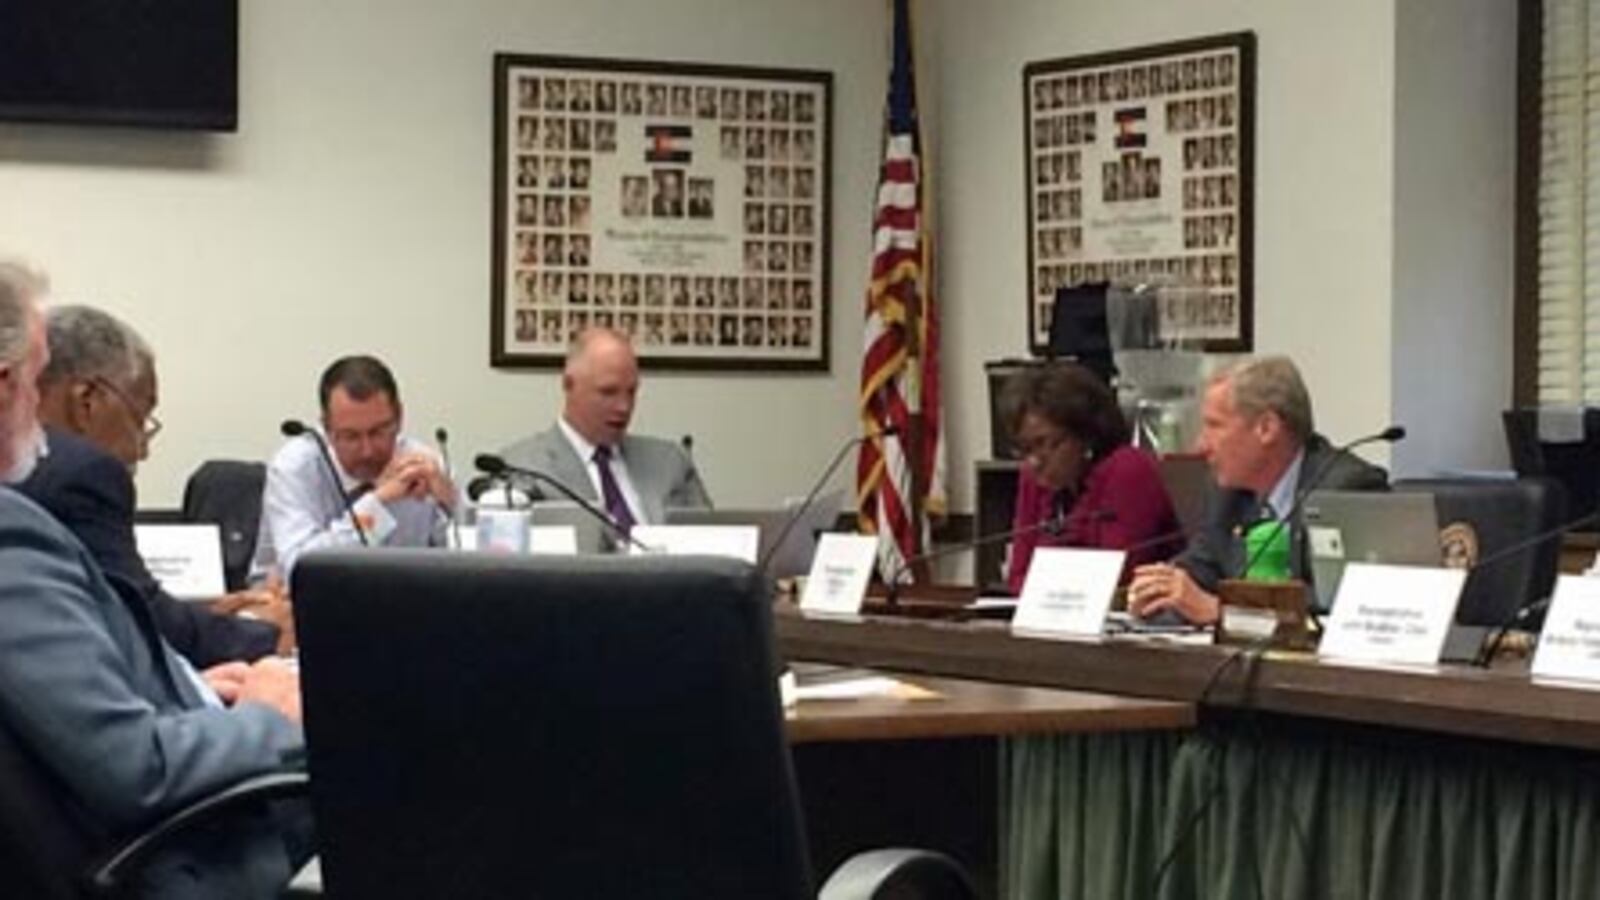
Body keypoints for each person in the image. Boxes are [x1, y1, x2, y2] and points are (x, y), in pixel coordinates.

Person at [0, 260, 311, 897]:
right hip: (175, 862)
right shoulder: (10, 537)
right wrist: (267, 715)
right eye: (37, 381)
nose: (41, 404)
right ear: (3, 386)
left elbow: (65, 702)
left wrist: (192, 688)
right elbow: (132, 767)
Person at [21, 305, 289, 667]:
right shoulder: (80, 475)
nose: (142, 449)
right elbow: (139, 627)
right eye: (140, 417)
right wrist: (261, 629)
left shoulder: (25, 464)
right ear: (86, 401)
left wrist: (207, 613)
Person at [1128, 356, 1389, 624]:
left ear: (1266, 428)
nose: (1200, 445)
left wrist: (1222, 612)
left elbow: (1343, 606)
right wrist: (1160, 589)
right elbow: (1200, 570)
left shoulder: (1345, 490)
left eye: (1214, 426)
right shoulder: (1229, 496)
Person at [252, 355, 455, 582]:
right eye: (350, 436)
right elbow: (301, 570)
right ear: (327, 429)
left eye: (379, 432)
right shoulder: (295, 468)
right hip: (296, 607)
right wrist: (377, 503)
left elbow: (469, 570)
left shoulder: (423, 466)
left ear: (399, 418)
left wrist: (450, 505)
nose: (367, 450)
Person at [499, 327, 710, 529]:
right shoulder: (521, 469)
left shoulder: (671, 462)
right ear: (568, 385)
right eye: (608, 392)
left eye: (631, 392)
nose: (623, 407)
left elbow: (713, 546)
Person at [1000, 363, 1183, 594]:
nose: (1034, 461)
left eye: (1045, 444)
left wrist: (1046, 587)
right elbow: (1018, 576)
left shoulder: (1128, 470)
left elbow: (1115, 576)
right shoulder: (1033, 478)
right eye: (1024, 448)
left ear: (1085, 434)